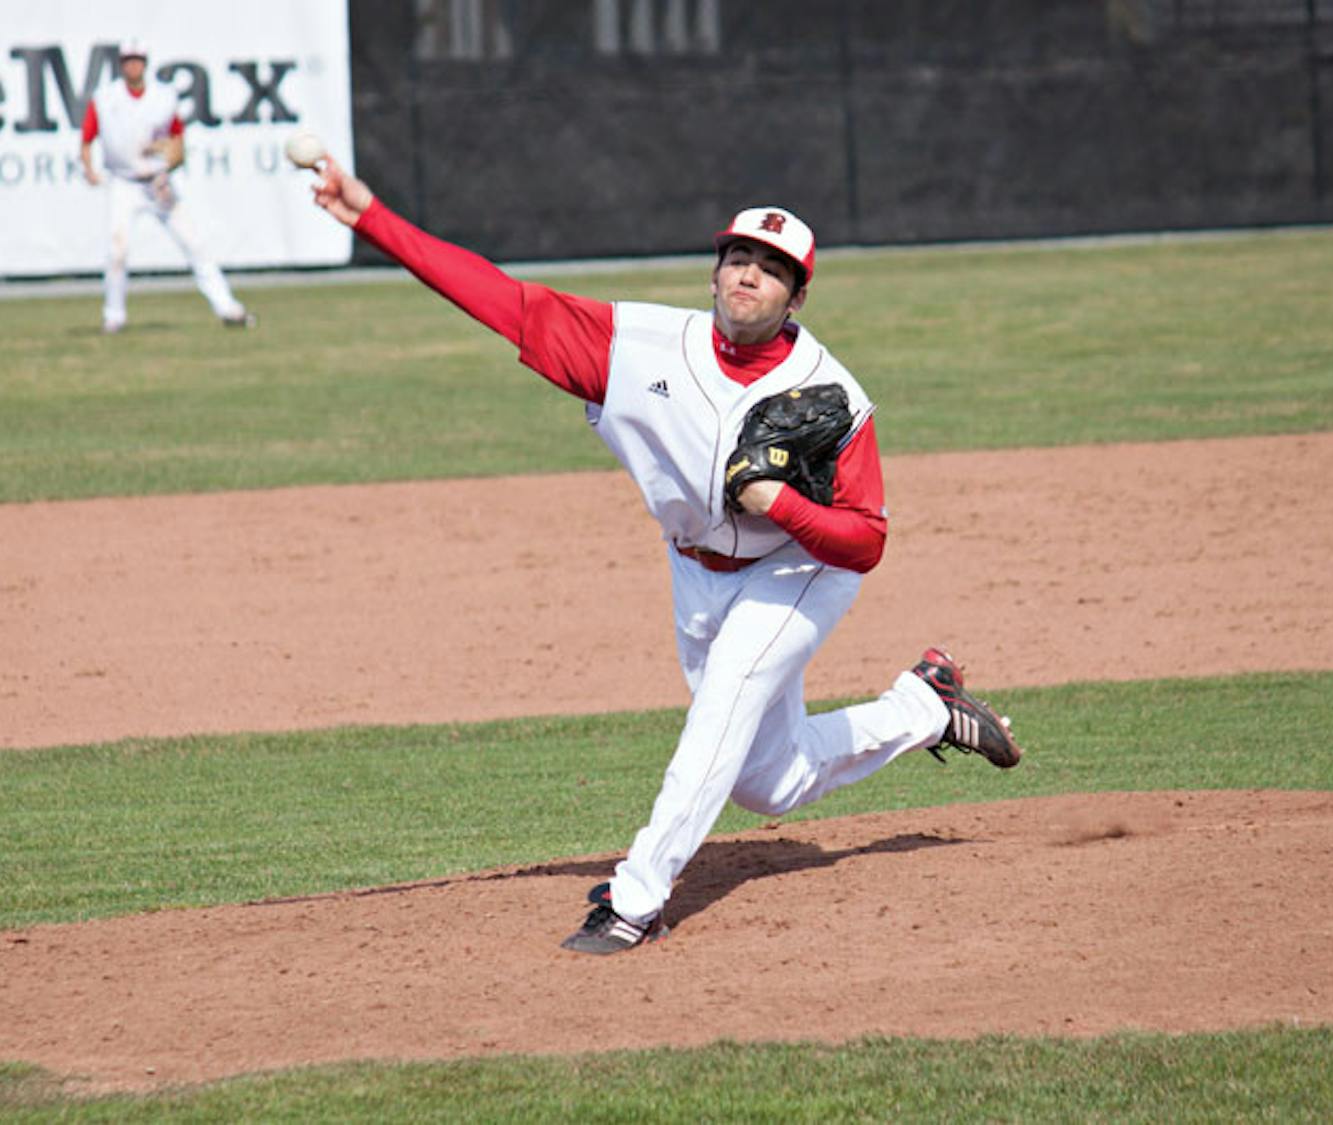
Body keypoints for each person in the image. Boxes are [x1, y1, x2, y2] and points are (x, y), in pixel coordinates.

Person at [306, 157, 1024, 955]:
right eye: (740, 256)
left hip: (797, 566)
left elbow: (866, 538)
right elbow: (500, 302)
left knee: (721, 707)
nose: (750, 272)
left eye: (774, 268)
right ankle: (927, 706)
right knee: (768, 782)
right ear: (716, 269)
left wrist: (779, 503)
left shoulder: (832, 395)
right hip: (696, 571)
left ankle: (636, 899)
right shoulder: (635, 345)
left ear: (797, 296)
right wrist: (373, 218)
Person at [80, 40, 254, 334]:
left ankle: (227, 307)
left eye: (137, 60)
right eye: (127, 60)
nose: (132, 65)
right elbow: (86, 138)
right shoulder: (106, 98)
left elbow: (178, 144)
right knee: (117, 249)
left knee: (194, 243)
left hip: (158, 182)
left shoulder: (163, 98)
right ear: (121, 64)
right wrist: (89, 169)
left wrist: (168, 159)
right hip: (123, 182)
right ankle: (114, 316)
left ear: (145, 63)